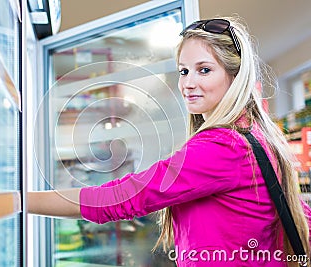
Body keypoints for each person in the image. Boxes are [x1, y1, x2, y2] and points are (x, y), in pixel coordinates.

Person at [28, 17, 311, 266]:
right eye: (184, 71)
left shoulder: (224, 146)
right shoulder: (257, 138)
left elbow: (122, 197)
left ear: (235, 76)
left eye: (204, 70)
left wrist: (19, 200)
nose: (188, 83)